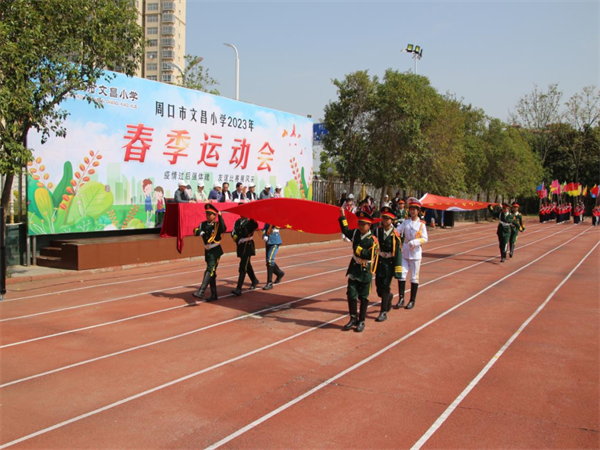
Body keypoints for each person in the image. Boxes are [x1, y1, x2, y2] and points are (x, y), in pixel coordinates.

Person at [339, 208, 379, 332]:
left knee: (363, 297)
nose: (360, 226)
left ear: (369, 225)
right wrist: (343, 217)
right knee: (351, 293)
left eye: (363, 224)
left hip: (365, 270)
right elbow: (346, 231)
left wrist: (357, 249)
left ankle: (361, 320)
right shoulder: (356, 233)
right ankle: (353, 317)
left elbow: (369, 254)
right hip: (354, 268)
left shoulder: (372, 240)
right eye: (359, 223)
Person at [395, 198, 428, 310]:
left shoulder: (421, 224)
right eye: (411, 209)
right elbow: (397, 231)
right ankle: (401, 298)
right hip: (405, 251)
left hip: (415, 253)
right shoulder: (406, 222)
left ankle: (412, 300)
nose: (412, 211)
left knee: (414, 277)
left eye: (414, 209)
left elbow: (425, 238)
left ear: (418, 211)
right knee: (402, 274)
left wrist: (415, 242)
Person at [374, 206, 402, 322]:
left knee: (385, 286)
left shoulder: (395, 235)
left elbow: (398, 253)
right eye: (383, 218)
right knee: (378, 288)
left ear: (392, 220)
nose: (385, 220)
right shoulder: (378, 231)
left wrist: (398, 270)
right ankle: (388, 297)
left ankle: (383, 312)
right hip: (379, 262)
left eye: (387, 218)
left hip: (389, 263)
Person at [193, 203, 226, 301]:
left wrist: (220, 217)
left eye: (209, 214)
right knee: (212, 272)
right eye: (206, 214)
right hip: (207, 251)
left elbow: (223, 228)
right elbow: (195, 230)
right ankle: (214, 294)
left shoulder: (217, 225)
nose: (207, 216)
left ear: (214, 216)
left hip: (215, 251)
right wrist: (199, 232)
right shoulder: (203, 224)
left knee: (210, 269)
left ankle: (201, 291)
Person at [230, 215, 260, 296]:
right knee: (247, 265)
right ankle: (254, 280)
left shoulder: (250, 221)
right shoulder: (237, 222)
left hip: (248, 246)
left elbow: (255, 226)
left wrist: (252, 217)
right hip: (240, 246)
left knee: (243, 266)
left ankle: (238, 288)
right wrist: (237, 239)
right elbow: (233, 233)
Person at [262, 223, 285, 290]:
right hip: (268, 241)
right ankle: (279, 273)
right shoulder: (267, 220)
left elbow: (278, 225)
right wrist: (264, 236)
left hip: (275, 240)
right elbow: (265, 228)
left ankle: (269, 283)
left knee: (270, 261)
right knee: (268, 262)